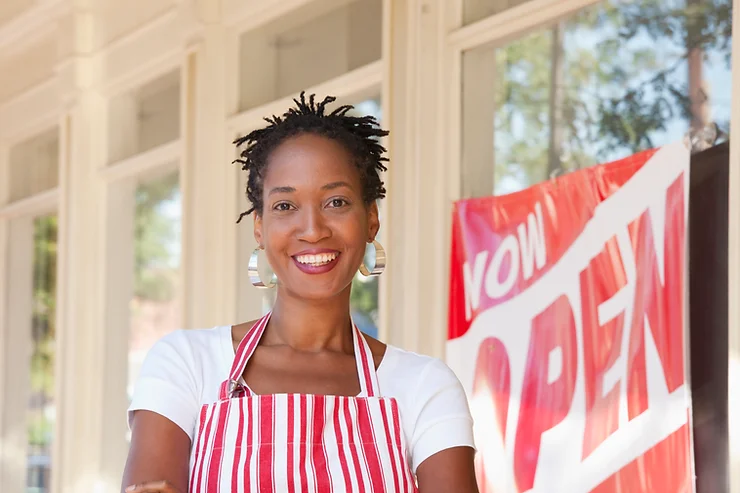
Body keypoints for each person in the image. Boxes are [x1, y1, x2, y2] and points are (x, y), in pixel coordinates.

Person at [122, 93, 478, 493]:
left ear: (371, 220)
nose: (312, 229)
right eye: (286, 205)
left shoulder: (425, 386)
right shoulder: (187, 364)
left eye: (336, 202)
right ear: (259, 227)